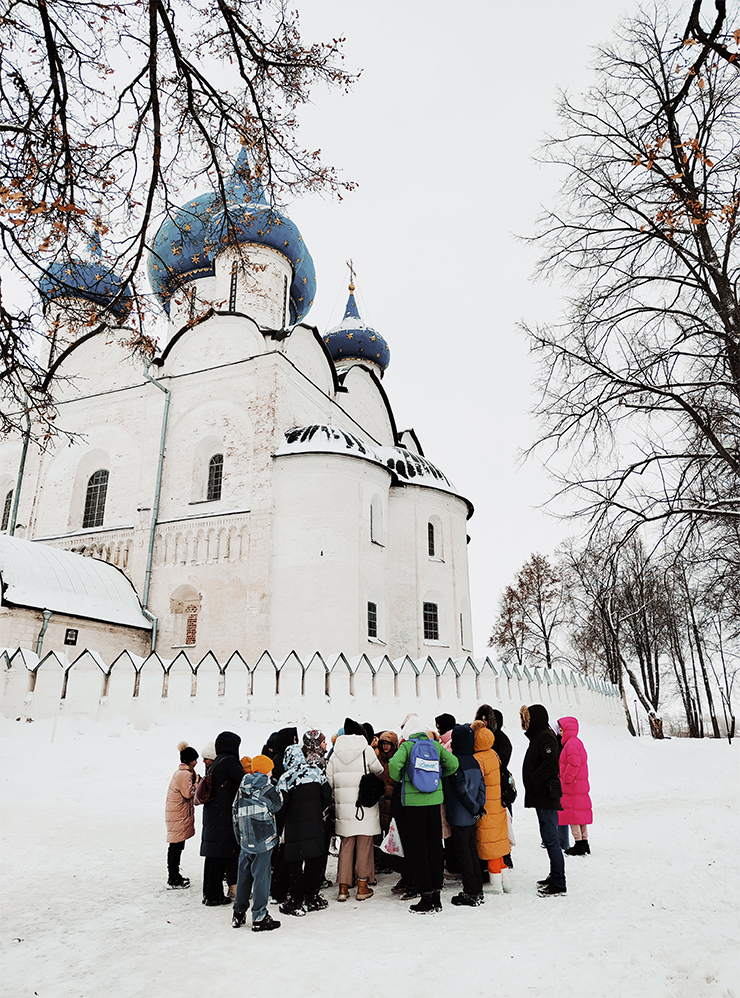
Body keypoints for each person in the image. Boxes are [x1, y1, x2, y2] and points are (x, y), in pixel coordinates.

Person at [388, 714, 459, 913]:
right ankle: (437, 894)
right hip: (434, 803)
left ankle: (426, 896)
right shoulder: (434, 745)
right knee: (435, 847)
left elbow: (393, 767)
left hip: (413, 805)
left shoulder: (407, 746)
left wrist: (405, 776)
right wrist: (436, 776)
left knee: (418, 850)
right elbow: (453, 764)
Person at [327, 716, 384, 902]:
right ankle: (362, 886)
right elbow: (379, 771)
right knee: (365, 845)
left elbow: (329, 780)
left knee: (346, 845)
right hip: (364, 806)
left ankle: (343, 888)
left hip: (344, 809)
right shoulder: (366, 750)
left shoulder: (335, 754)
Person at [277, 744, 333, 915]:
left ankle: (296, 900)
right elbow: (327, 795)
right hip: (315, 825)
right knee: (313, 861)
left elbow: (281, 806)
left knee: (295, 864)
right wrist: (318, 812)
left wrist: (280, 827)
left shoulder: (286, 777)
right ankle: (312, 896)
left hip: (294, 828)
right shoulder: (316, 772)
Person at [231, 754, 282, 932]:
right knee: (261, 876)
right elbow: (277, 805)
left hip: (246, 837)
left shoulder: (243, 784)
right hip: (263, 838)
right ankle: (259, 916)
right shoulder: (267, 786)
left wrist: (239, 836)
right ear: (265, 770)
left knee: (244, 874)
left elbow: (234, 809)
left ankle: (238, 913)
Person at [520, 704, 566, 897]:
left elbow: (550, 763)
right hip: (542, 795)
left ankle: (558, 881)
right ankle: (554, 875)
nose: (524, 724)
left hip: (546, 795)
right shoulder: (541, 735)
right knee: (549, 837)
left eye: (527, 719)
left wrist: (534, 779)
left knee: (551, 839)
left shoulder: (545, 736)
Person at [445, 724, 487, 906]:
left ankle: (470, 892)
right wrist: (478, 807)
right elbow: (481, 786)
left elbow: (461, 790)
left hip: (459, 815)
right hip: (472, 815)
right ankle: (477, 888)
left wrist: (472, 807)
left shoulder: (455, 763)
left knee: (464, 855)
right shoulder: (474, 761)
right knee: (472, 852)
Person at [200, 730, 244, 905]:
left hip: (213, 814)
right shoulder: (230, 761)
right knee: (221, 854)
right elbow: (243, 781)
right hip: (223, 816)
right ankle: (214, 896)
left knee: (212, 856)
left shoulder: (217, 761)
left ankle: (209, 893)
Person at [472, 720, 511, 894]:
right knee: (499, 844)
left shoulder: (478, 758)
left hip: (486, 806)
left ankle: (495, 884)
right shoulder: (494, 754)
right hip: (497, 805)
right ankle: (505, 880)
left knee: (491, 844)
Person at [165, 741, 200, 889]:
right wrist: (197, 782)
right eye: (194, 759)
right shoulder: (185, 774)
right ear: (188, 761)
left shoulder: (180, 773)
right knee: (176, 846)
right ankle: (173, 878)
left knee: (177, 845)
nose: (197, 762)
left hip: (176, 814)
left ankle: (174, 875)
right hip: (178, 815)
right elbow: (188, 793)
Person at [557, 716, 593, 855]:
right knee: (580, 815)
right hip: (579, 786)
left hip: (572, 786)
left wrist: (565, 778)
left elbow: (573, 764)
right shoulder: (577, 742)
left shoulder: (570, 744)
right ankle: (584, 842)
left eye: (561, 729)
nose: (560, 732)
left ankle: (578, 843)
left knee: (573, 816)